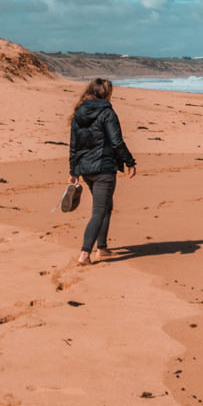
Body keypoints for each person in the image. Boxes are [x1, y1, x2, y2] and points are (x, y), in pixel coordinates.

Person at [67, 78, 136, 265]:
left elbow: (74, 144)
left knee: (105, 206)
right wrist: (130, 162)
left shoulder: (79, 112)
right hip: (104, 167)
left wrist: (74, 170)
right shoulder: (107, 112)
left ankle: (102, 247)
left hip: (85, 169)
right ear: (106, 93)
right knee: (99, 210)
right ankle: (85, 253)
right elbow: (117, 142)